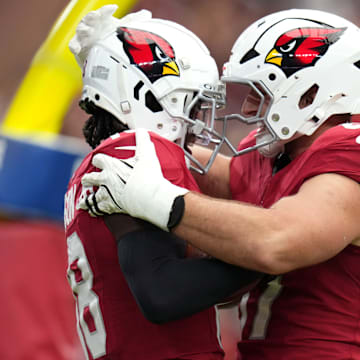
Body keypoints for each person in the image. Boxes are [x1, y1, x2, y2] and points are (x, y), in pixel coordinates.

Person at [79, 8, 360, 360]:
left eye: (261, 93)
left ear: (310, 95)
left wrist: (159, 199)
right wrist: (126, 103)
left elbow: (277, 241)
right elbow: (202, 173)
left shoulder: (349, 147)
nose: (249, 107)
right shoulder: (271, 158)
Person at [65, 5, 262, 360]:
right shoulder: (139, 148)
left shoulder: (97, 163)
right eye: (194, 105)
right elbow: (163, 294)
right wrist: (271, 253)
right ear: (149, 96)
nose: (201, 122)